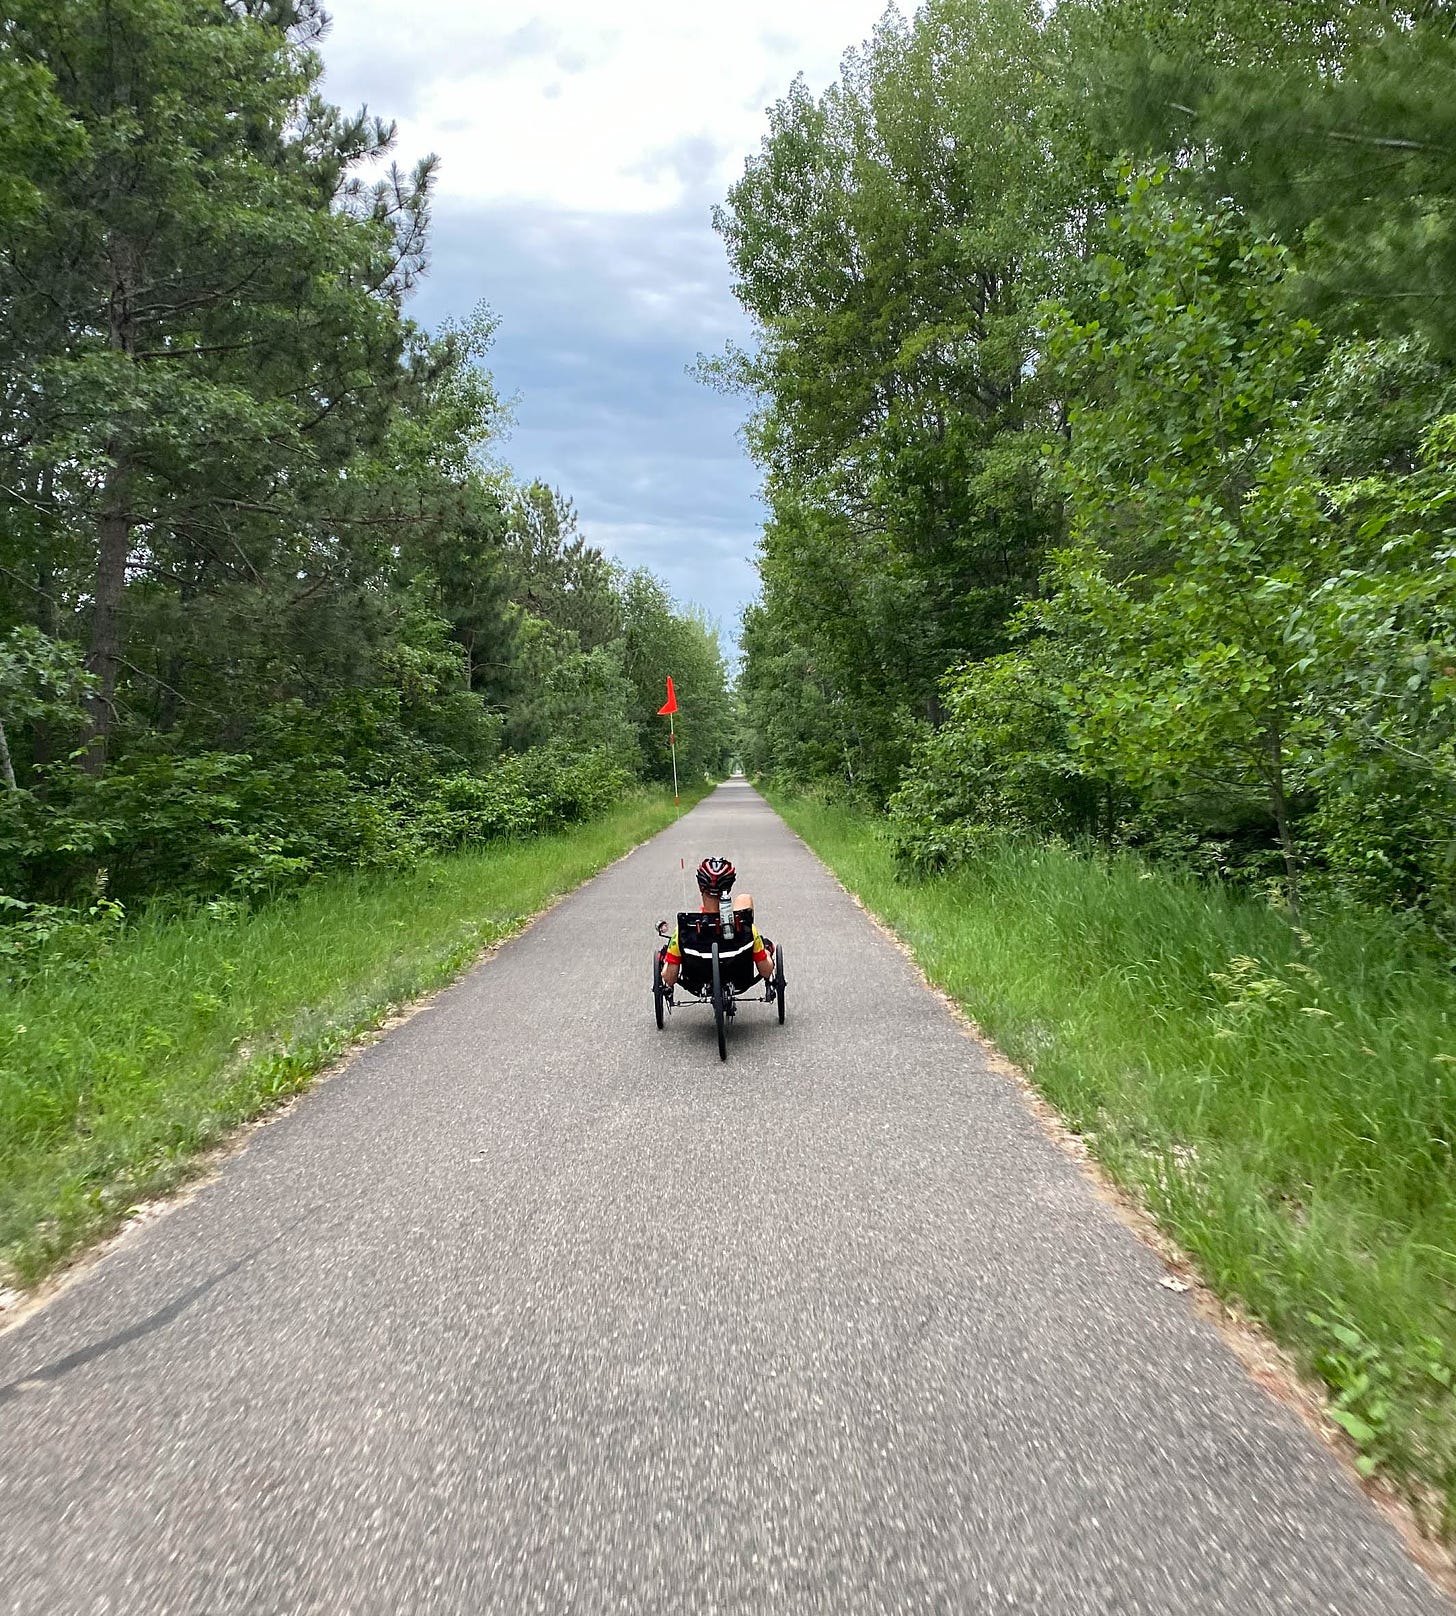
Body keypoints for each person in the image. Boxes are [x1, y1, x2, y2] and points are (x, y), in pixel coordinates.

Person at [660, 856, 774, 992]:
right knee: (745, 900)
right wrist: (766, 952)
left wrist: (665, 965)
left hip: (697, 981)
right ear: (729, 887)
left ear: (700, 887)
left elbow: (669, 978)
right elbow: (766, 972)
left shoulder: (684, 930)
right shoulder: (746, 927)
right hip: (739, 979)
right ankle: (764, 947)